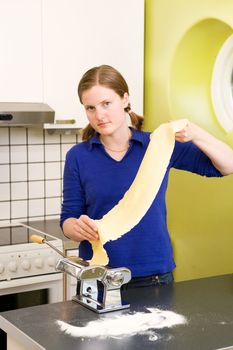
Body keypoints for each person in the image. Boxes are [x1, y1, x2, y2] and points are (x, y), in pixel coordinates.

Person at [60, 64, 233, 289]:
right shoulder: (78, 156)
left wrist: (195, 132)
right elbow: (68, 220)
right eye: (90, 108)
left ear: (125, 99)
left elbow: (227, 165)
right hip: (99, 278)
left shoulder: (157, 146)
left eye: (106, 104)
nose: (99, 115)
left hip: (154, 277)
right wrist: (76, 227)